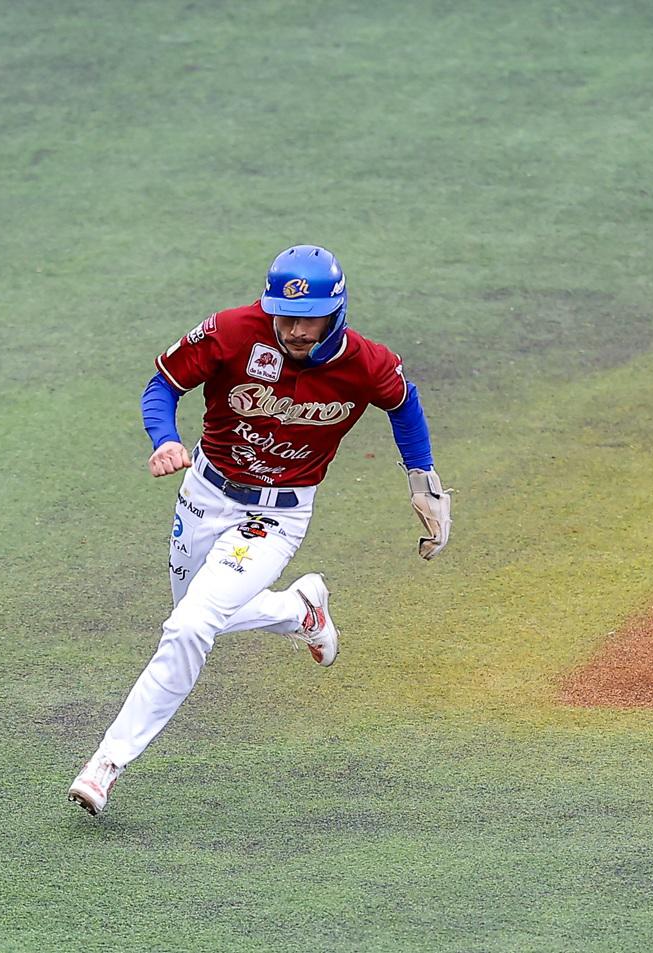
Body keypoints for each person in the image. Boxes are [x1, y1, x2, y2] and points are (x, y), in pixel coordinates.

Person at [68, 245, 450, 816]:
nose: (294, 330)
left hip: (276, 516)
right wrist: (164, 439)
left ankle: (107, 763)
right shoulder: (230, 332)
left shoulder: (367, 362)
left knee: (192, 624)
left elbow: (405, 404)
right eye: (285, 315)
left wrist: (423, 481)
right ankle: (300, 613)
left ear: (336, 312)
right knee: (193, 619)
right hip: (205, 494)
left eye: (308, 318)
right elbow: (163, 385)